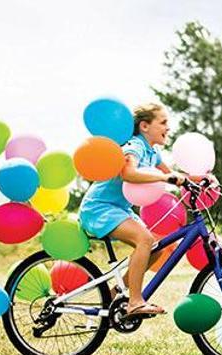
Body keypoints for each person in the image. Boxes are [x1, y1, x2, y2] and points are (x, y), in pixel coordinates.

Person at [79, 103, 188, 317]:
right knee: (145, 240)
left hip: (120, 209)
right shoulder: (134, 146)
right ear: (145, 126)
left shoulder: (152, 151)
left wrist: (199, 180)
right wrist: (165, 178)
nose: (169, 127)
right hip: (100, 208)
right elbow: (128, 173)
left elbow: (172, 173)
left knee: (156, 247)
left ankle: (116, 293)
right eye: (164, 122)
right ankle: (134, 303)